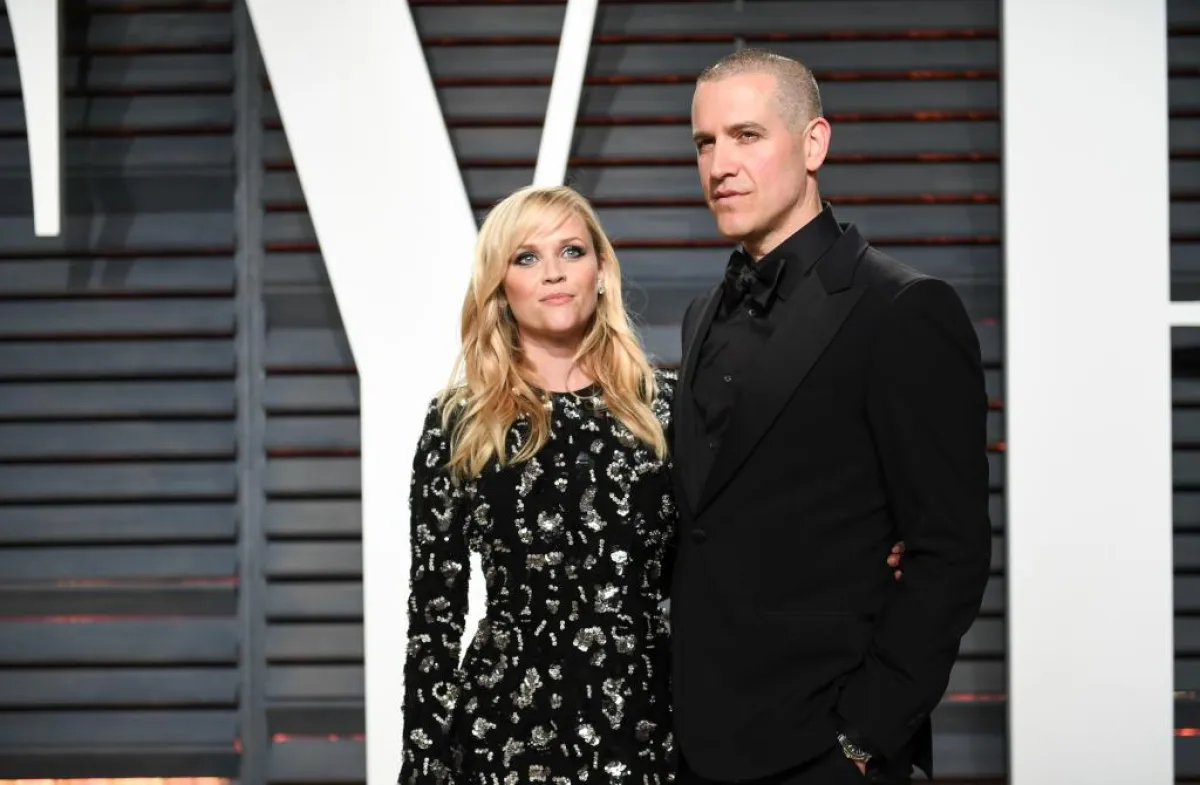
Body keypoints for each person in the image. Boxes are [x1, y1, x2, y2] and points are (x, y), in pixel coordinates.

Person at [397, 184, 906, 785]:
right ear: (499, 287)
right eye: (526, 257)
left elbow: (739, 541)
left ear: (601, 271)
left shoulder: (666, 409)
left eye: (571, 251)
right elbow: (434, 616)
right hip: (501, 736)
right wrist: (423, 766)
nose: (554, 272)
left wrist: (868, 548)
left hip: (647, 727)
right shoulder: (461, 422)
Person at [669, 49, 992, 785]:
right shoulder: (700, 315)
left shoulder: (903, 309)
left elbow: (951, 550)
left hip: (825, 747)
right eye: (705, 142)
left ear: (814, 144)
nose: (720, 164)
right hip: (695, 744)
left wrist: (863, 737)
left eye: (747, 136)